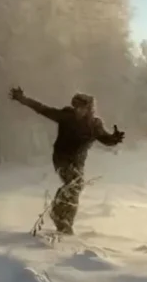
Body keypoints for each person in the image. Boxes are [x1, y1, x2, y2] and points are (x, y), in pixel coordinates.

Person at [9, 86, 125, 235]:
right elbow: (43, 109)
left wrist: (114, 139)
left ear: (89, 109)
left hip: (78, 162)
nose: (78, 111)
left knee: (76, 190)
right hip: (61, 158)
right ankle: (56, 211)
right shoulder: (66, 117)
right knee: (74, 182)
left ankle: (66, 223)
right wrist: (23, 99)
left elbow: (105, 139)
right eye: (76, 107)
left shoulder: (94, 125)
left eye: (82, 108)